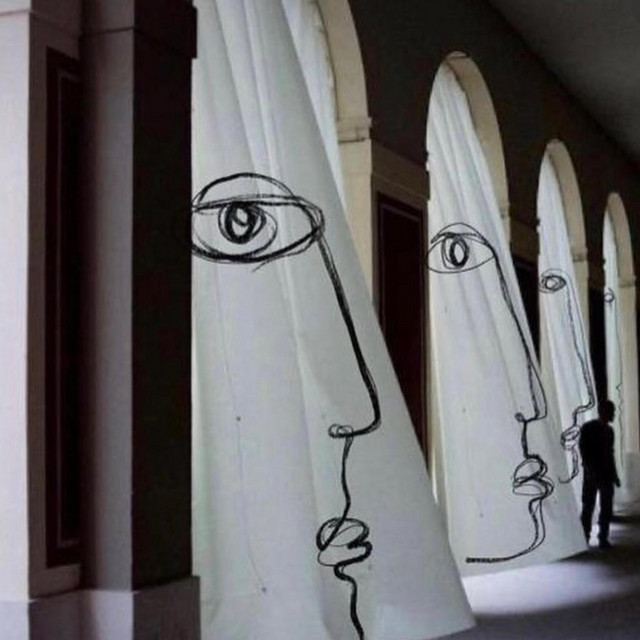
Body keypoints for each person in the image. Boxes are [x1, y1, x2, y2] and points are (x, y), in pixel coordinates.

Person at [579, 399, 621, 548]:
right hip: (594, 473)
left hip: (604, 474)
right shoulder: (590, 428)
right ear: (604, 412)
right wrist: (590, 471)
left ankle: (602, 537)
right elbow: (584, 452)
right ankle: (586, 536)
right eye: (612, 412)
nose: (614, 414)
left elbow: (610, 454)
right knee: (589, 506)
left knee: (604, 507)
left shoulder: (608, 431)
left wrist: (614, 475)